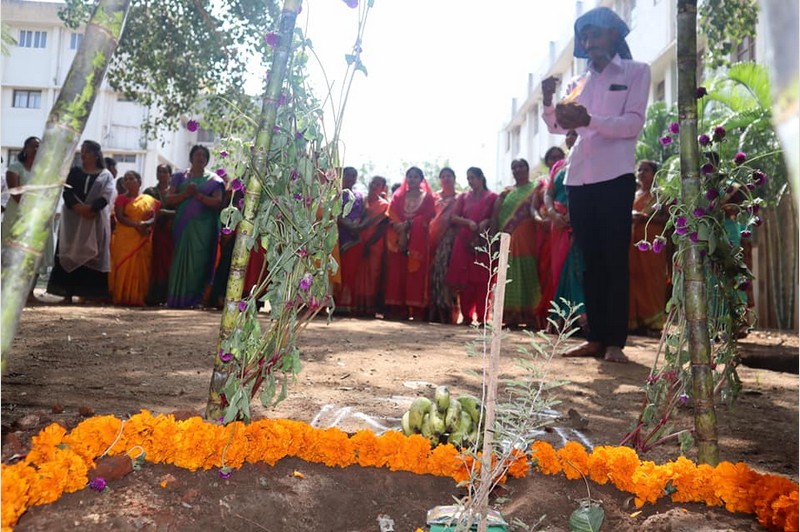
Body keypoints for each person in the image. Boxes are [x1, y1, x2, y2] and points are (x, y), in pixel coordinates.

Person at [542, 6, 650, 362]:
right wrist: (547, 101)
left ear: (614, 36)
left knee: (613, 259)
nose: (589, 42)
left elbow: (632, 124)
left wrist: (591, 119)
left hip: (616, 177)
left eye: (596, 34)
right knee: (588, 261)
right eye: (585, 37)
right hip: (579, 180)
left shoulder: (637, 72)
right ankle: (595, 339)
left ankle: (615, 342)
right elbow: (559, 127)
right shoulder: (577, 83)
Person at [47, 140, 115, 303]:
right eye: (82, 151)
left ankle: (88, 294)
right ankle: (67, 294)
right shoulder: (74, 172)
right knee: (70, 252)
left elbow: (106, 195)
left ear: (96, 155)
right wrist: (79, 209)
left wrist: (91, 209)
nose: (83, 154)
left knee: (91, 256)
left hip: (94, 221)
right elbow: (67, 192)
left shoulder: (106, 175)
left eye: (86, 151)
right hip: (73, 221)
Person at [165, 145, 225, 308]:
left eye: (203, 156)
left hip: (204, 228)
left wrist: (198, 195)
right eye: (197, 155)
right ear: (191, 157)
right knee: (179, 260)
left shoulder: (214, 180)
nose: (200, 158)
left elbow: (218, 203)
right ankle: (176, 299)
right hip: (183, 226)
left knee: (199, 262)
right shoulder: (179, 177)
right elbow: (169, 199)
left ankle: (196, 300)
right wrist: (185, 195)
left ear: (207, 160)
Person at [543, 131, 587, 331]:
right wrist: (552, 213)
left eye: (576, 133)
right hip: (557, 223)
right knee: (559, 268)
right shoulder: (558, 166)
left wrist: (575, 213)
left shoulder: (589, 159)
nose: (572, 137)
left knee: (576, 267)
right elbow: (548, 193)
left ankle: (581, 318)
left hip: (579, 221)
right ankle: (562, 319)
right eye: (569, 134)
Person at [491, 158, 542, 328]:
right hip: (507, 239)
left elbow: (538, 209)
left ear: (527, 169)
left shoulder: (536, 187)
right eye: (514, 167)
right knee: (509, 275)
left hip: (527, 238)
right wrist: (494, 238)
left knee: (528, 273)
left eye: (521, 166)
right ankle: (510, 317)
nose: (518, 169)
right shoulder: (507, 192)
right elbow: (496, 216)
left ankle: (531, 317)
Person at [445, 167, 498, 326]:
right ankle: (466, 317)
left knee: (483, 280)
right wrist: (468, 222)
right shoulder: (463, 197)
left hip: (483, 242)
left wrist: (486, 222)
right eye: (468, 178)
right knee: (465, 281)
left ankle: (483, 317)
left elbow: (495, 218)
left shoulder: (492, 197)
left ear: (481, 177)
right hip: (464, 242)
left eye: (473, 177)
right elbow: (453, 217)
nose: (470, 181)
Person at [2, 136, 51, 305]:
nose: (36, 149)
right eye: (33, 146)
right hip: (18, 216)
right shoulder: (15, 167)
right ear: (25, 148)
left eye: (40, 147)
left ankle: (29, 293)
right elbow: (15, 193)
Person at [384, 166, 436, 320]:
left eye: (415, 177)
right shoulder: (398, 195)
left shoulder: (427, 197)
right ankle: (399, 310)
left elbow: (428, 216)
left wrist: (409, 225)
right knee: (397, 271)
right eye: (409, 176)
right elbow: (391, 213)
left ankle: (416, 310)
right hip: (398, 238)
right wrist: (399, 228)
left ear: (421, 179)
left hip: (418, 241)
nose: (412, 179)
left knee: (415, 272)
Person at [628, 160, 669, 334]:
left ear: (654, 173)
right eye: (639, 170)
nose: (641, 173)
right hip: (632, 243)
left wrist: (644, 218)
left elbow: (669, 220)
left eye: (646, 170)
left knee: (652, 280)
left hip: (653, 244)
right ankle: (635, 322)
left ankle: (653, 323)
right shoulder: (634, 195)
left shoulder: (662, 195)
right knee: (633, 279)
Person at [109, 171, 160, 306]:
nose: (128, 181)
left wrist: (146, 225)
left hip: (142, 237)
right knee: (124, 265)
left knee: (141, 266)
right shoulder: (121, 198)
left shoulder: (148, 199)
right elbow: (120, 217)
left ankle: (138, 297)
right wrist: (137, 225)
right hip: (125, 237)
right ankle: (122, 296)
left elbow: (154, 216)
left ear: (139, 181)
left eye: (131, 178)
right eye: (125, 179)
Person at [533, 146, 566, 326]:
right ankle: (544, 314)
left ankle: (557, 314)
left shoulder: (569, 174)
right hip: (543, 230)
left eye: (558, 157)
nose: (555, 160)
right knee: (543, 271)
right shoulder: (541, 184)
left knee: (558, 269)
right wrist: (539, 219)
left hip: (561, 225)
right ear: (547, 162)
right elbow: (533, 206)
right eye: (551, 158)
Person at [350, 176, 391, 316]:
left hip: (375, 243)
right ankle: (357, 306)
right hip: (359, 240)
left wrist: (370, 243)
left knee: (373, 274)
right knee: (358, 273)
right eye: (373, 183)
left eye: (378, 184)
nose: (374, 186)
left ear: (382, 188)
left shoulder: (384, 205)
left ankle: (370, 308)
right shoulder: (362, 200)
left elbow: (382, 228)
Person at [428, 167, 460, 323]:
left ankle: (448, 311)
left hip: (451, 240)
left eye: (449, 176)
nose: (446, 179)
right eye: (443, 176)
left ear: (454, 178)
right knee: (434, 273)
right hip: (432, 240)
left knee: (447, 274)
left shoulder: (460, 198)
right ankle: (435, 310)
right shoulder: (434, 197)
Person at [143, 164, 175, 305]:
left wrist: (164, 213)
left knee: (167, 264)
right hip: (153, 233)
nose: (161, 174)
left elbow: (180, 211)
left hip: (169, 233)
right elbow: (144, 209)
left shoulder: (175, 193)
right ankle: (151, 296)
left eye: (164, 171)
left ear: (170, 175)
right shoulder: (150, 191)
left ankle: (166, 296)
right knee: (152, 263)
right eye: (159, 171)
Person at [335, 167, 365, 314]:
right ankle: (333, 303)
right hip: (338, 236)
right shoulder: (336, 194)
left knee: (350, 271)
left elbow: (362, 213)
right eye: (348, 175)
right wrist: (345, 223)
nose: (351, 178)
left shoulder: (358, 196)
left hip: (354, 238)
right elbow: (334, 212)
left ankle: (346, 304)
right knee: (337, 270)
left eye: (354, 175)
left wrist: (356, 226)